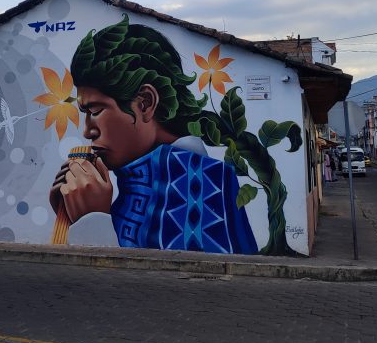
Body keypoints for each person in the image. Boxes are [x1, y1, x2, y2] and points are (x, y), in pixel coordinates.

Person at [51, 15, 259, 254]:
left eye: (96, 111)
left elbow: (183, 277)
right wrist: (70, 212)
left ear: (145, 103)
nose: (87, 131)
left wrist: (93, 218)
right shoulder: (134, 180)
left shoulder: (199, 182)